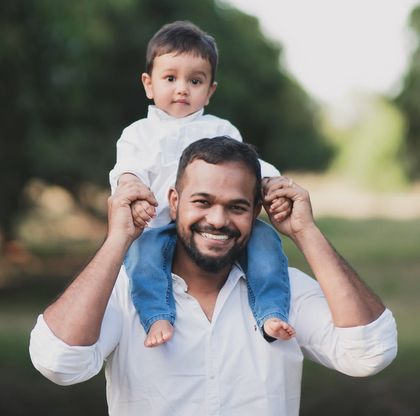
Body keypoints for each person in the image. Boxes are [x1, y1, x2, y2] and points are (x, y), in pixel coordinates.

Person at [29, 137, 397, 416]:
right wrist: (117, 240)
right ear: (174, 202)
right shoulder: (124, 291)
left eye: (237, 207)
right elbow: (59, 362)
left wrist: (306, 232)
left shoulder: (285, 291)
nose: (218, 221)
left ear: (256, 211)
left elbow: (368, 352)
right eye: (202, 202)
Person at [109, 20, 294, 346]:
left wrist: (272, 181)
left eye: (195, 81)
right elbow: (127, 171)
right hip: (158, 223)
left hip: (210, 221)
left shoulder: (220, 129)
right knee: (141, 258)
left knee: (266, 244)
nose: (182, 88)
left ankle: (271, 312)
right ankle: (157, 317)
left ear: (210, 90)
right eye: (170, 78)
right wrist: (131, 189)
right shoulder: (138, 134)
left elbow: (247, 165)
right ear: (148, 84)